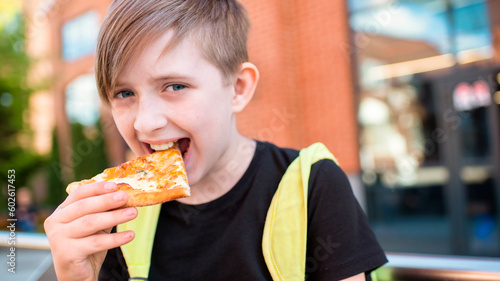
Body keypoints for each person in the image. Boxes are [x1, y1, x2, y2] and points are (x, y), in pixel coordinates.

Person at [44, 0, 387, 280]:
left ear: (238, 88)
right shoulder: (117, 217)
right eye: (123, 92)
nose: (145, 122)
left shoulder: (313, 184)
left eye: (175, 86)